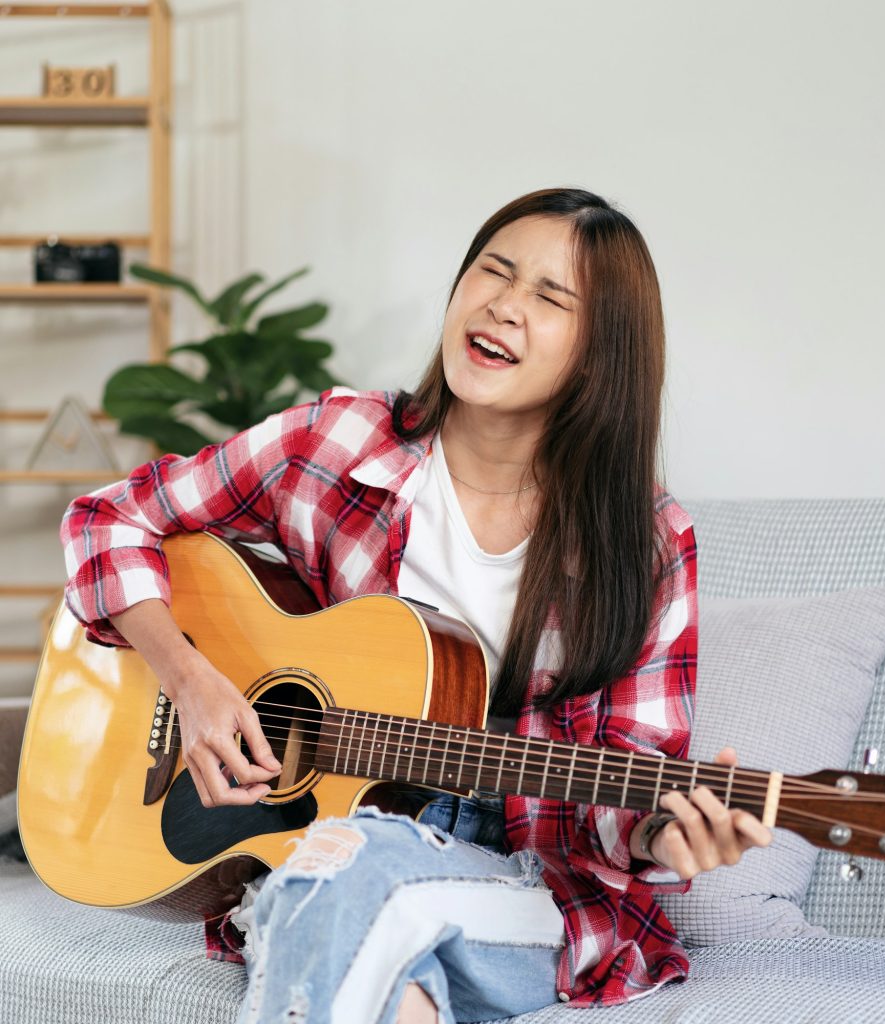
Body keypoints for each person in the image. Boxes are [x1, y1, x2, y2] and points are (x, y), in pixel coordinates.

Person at [60, 187, 773, 1024]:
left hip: (521, 888)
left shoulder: (646, 541)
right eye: (494, 271)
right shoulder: (334, 442)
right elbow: (107, 517)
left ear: (599, 354)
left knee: (351, 867)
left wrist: (663, 836)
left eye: (549, 297)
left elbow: (621, 790)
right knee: (388, 985)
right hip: (315, 851)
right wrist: (189, 679)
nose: (504, 304)